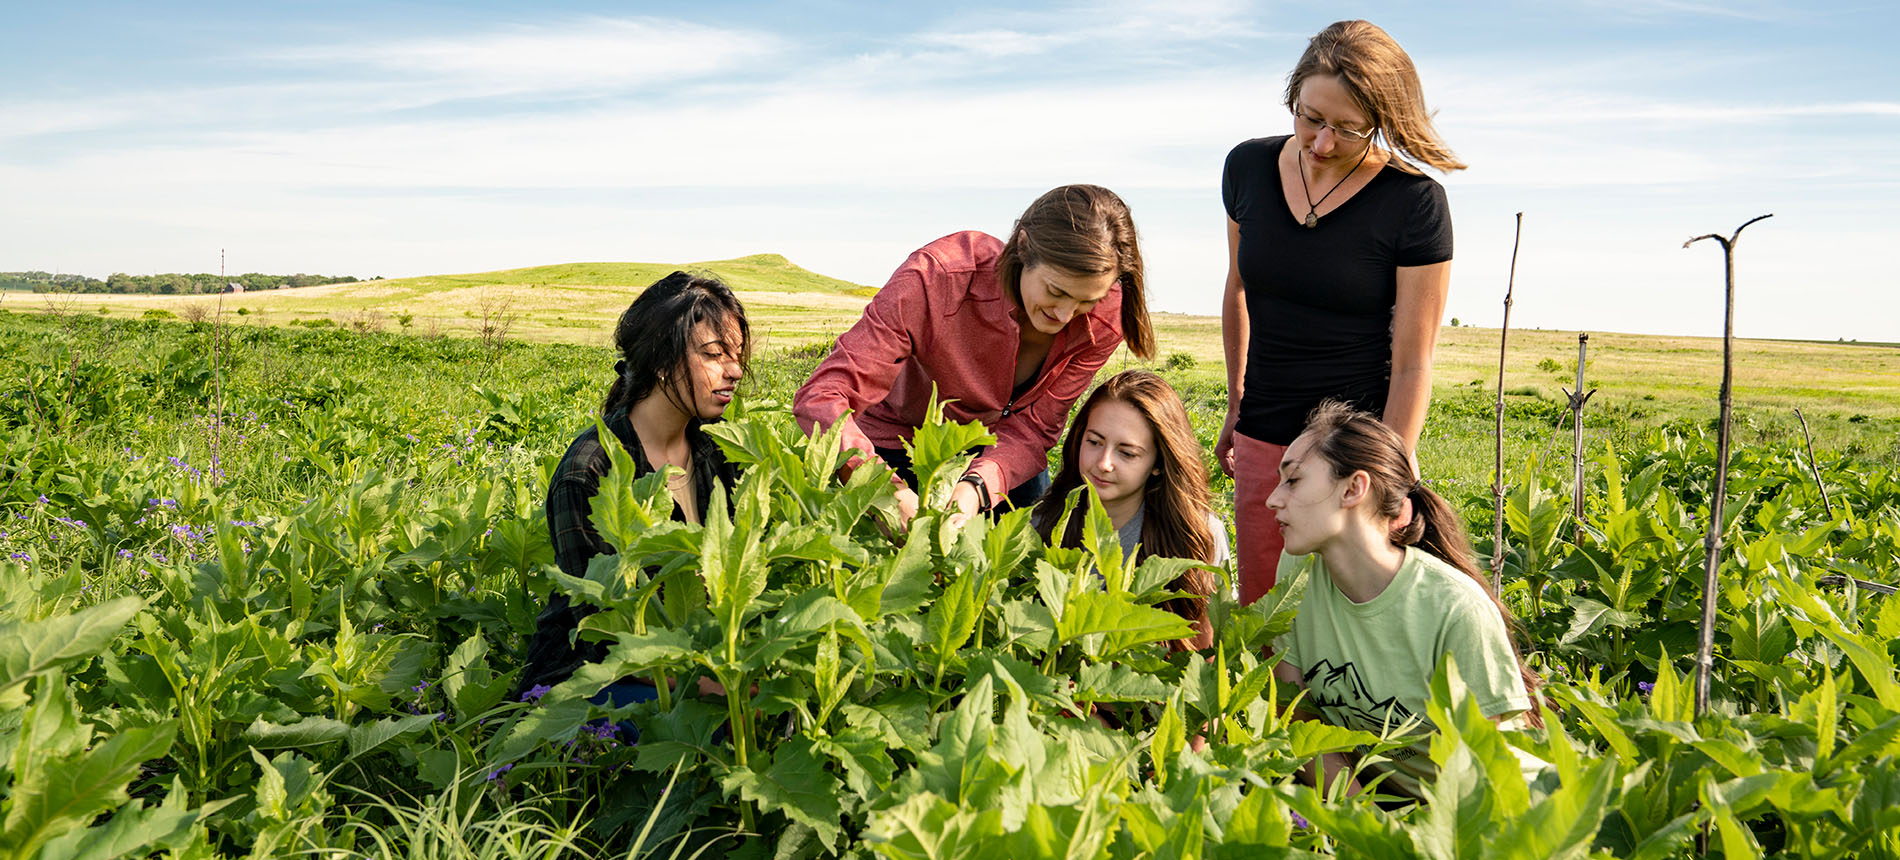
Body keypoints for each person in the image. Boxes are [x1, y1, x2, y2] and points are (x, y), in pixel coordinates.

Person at [1218, 20, 1461, 604]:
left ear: (1385, 120)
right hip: (1264, 438)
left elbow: (1412, 363)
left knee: (1354, 627)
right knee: (1266, 620)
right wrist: (1234, 404)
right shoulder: (1247, 168)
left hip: (1354, 457)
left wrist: (1387, 475)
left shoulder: (1414, 203)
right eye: (1310, 118)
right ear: (1292, 98)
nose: (1323, 143)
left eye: (1349, 129)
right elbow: (1238, 291)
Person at [793, 184, 1154, 529]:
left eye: (1086, 301)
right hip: (894, 444)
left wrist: (973, 490)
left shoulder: (1107, 317)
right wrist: (883, 491)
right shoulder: (938, 276)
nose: (1064, 315)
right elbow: (822, 398)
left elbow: (1035, 426)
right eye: (1055, 291)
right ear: (1023, 247)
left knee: (1010, 573)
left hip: (1002, 457)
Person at [1268, 401, 1542, 800]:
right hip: (1389, 803)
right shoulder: (1299, 571)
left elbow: (1480, 771)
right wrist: (1360, 820)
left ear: (1352, 489)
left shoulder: (1455, 609)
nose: (1273, 500)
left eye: (1292, 480)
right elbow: (1298, 714)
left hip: (1500, 811)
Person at [513, 271, 749, 703]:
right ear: (661, 362)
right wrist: (716, 687)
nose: (734, 370)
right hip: (594, 681)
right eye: (714, 355)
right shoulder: (591, 471)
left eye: (736, 354)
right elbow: (602, 634)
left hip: (698, 659)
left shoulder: (719, 452)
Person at [1031, 370, 1228, 651]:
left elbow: (1205, 656)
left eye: (1127, 453)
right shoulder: (1042, 524)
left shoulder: (1199, 534)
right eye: (1095, 442)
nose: (1104, 463)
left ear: (1158, 463)